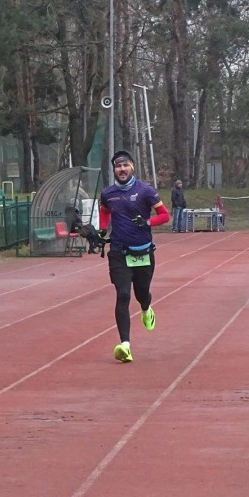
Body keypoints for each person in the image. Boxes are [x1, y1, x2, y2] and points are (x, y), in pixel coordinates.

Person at [99, 150, 170, 363]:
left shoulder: (145, 191)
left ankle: (146, 309)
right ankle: (125, 345)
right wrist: (102, 230)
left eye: (125, 165)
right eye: (118, 166)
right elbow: (105, 212)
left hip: (143, 252)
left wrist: (147, 222)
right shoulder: (108, 193)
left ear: (132, 167)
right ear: (114, 170)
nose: (122, 169)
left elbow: (165, 216)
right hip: (119, 252)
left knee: (142, 294)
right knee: (123, 295)